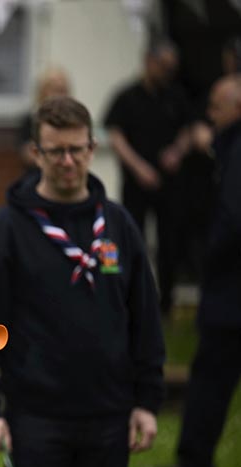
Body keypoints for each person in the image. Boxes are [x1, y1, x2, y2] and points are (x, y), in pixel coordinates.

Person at [0, 96, 165, 467]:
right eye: (55, 152)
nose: (68, 162)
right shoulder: (7, 230)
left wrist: (147, 400)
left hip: (108, 415)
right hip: (35, 419)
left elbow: (145, 317)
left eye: (77, 150)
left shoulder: (117, 224)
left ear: (94, 148)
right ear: (36, 152)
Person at [162, 74, 241, 467]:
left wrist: (205, 260)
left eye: (216, 107)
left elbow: (232, 218)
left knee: (210, 379)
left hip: (230, 297)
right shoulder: (226, 147)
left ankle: (194, 464)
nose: (210, 115)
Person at [104, 39, 193, 318]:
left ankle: (165, 305)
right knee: (132, 241)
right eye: (163, 66)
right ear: (148, 61)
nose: (167, 73)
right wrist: (139, 167)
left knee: (169, 243)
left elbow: (190, 128)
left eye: (171, 68)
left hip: (170, 185)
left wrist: (178, 151)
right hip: (136, 185)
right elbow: (115, 135)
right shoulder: (127, 97)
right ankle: (134, 299)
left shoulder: (176, 95)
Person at [17, 67, 72, 172]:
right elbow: (27, 155)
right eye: (54, 90)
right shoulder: (32, 119)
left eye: (62, 90)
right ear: (42, 91)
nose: (59, 96)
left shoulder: (74, 120)